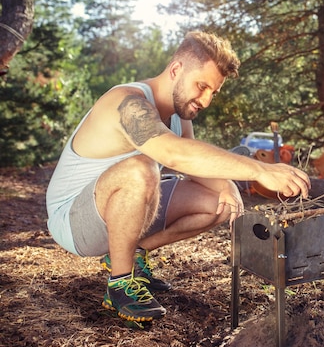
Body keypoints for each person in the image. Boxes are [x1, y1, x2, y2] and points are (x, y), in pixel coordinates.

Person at [46, 31, 310, 323]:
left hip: (118, 209)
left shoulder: (179, 115)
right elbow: (174, 154)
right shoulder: (127, 102)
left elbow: (192, 165)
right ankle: (120, 284)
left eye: (213, 92)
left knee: (218, 202)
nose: (206, 100)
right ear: (175, 70)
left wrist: (228, 187)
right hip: (73, 219)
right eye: (201, 86)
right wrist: (261, 170)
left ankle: (134, 254)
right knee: (141, 168)